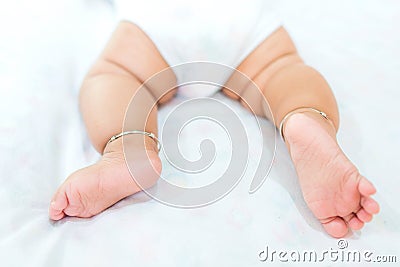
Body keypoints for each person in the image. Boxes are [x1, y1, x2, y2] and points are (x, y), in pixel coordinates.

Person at [49, 0, 379, 238]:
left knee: (116, 76)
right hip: (241, 17)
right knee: (280, 71)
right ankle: (303, 117)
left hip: (155, 19)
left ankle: (127, 146)